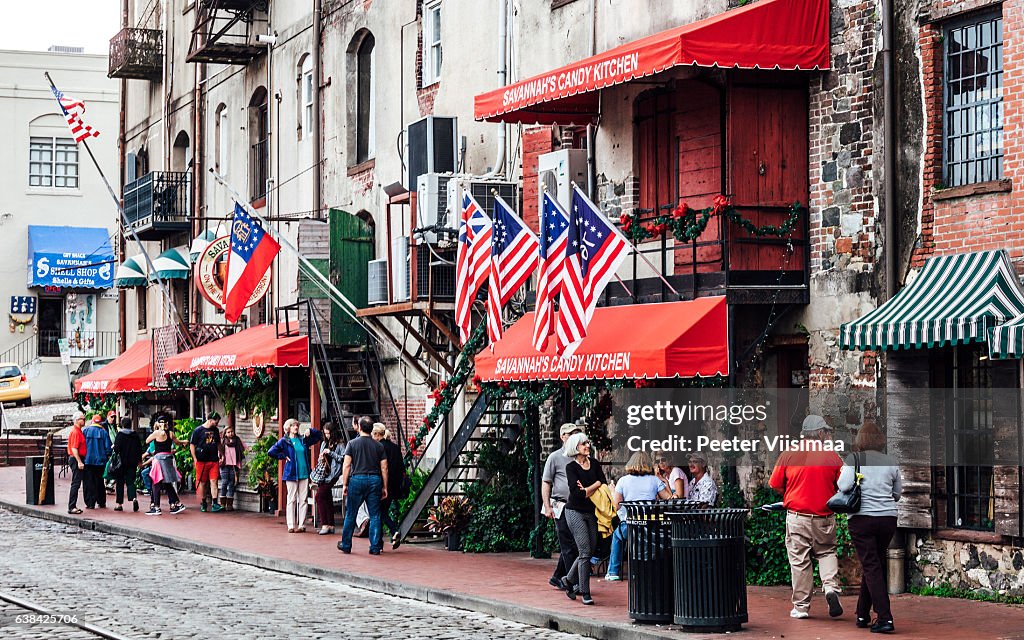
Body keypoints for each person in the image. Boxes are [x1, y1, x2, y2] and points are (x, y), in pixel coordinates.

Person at [768, 414, 844, 620]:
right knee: (827, 553)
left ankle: (801, 607)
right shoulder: (831, 456)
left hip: (797, 516)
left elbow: (774, 484)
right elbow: (843, 486)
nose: (828, 435)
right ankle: (830, 588)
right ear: (819, 433)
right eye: (826, 432)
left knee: (800, 561)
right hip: (824, 516)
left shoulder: (788, 454)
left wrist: (789, 492)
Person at [837, 423, 901, 634]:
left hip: (862, 518)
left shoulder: (854, 459)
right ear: (880, 439)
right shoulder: (890, 461)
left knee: (871, 564)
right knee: (873, 563)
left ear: (860, 440)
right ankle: (862, 613)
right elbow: (898, 493)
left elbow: (844, 486)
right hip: (887, 519)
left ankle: (885, 617)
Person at [605, 452, 672, 581]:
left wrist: (613, 492)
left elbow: (616, 506)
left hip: (630, 527)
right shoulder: (654, 480)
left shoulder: (623, 481)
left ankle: (613, 571)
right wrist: (664, 481)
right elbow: (669, 499)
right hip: (652, 528)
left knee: (617, 535)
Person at [560, 432, 606, 606]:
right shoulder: (571, 468)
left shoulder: (594, 463)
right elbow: (577, 494)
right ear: (575, 448)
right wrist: (592, 488)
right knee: (585, 552)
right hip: (574, 512)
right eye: (583, 444)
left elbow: (602, 480)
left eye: (587, 442)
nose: (587, 445)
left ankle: (568, 580)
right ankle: (584, 591)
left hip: (591, 512)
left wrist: (588, 488)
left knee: (589, 550)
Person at [337, 416, 388, 555]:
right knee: (375, 515)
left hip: (357, 479)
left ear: (359, 427)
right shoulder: (379, 446)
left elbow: (346, 465)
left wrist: (345, 484)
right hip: (374, 479)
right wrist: (385, 486)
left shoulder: (352, 444)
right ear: (372, 429)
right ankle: (375, 547)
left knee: (351, 514)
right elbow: (384, 467)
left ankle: (346, 544)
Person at [542, 423, 584, 590]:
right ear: (563, 437)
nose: (574, 436)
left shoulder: (581, 456)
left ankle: (557, 576)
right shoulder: (555, 457)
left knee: (575, 544)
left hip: (580, 506)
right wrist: (547, 506)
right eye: (570, 434)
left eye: (576, 433)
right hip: (562, 506)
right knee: (568, 545)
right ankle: (573, 583)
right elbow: (546, 482)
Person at [268, 418, 323, 533]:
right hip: (291, 473)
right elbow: (271, 451)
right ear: (288, 428)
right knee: (291, 499)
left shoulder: (303, 439)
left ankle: (302, 525)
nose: (296, 427)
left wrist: (310, 430)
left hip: (304, 473)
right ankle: (291, 525)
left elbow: (319, 436)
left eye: (297, 425)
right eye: (293, 425)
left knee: (303, 500)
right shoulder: (284, 441)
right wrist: (283, 456)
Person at [145, 415, 188, 516]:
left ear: (158, 424)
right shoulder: (171, 433)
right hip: (168, 458)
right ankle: (177, 503)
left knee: (156, 482)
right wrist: (184, 442)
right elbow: (177, 442)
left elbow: (147, 441)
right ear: (167, 424)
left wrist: (156, 433)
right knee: (167, 482)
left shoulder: (156, 433)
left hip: (159, 460)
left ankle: (156, 507)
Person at [373, 422, 404, 540]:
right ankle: (382, 540)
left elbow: (381, 467)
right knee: (382, 511)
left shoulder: (379, 448)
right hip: (394, 485)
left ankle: (392, 531)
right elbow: (401, 467)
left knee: (379, 512)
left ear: (377, 434)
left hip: (382, 484)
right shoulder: (395, 448)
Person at [314, 421, 346, 535]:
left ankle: (325, 524)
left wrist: (331, 453)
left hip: (332, 475)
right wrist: (321, 456)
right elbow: (320, 459)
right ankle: (331, 525)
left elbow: (343, 459)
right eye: (325, 433)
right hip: (323, 474)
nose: (327, 435)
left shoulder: (340, 444)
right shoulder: (323, 443)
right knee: (327, 498)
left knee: (319, 497)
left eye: (328, 433)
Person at [190, 413, 224, 513]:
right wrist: (195, 458)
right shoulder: (198, 430)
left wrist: (222, 454)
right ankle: (204, 502)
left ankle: (214, 503)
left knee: (214, 481)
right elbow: (192, 445)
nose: (217, 424)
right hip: (202, 460)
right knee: (203, 483)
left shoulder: (215, 430)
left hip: (213, 459)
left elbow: (218, 443)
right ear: (210, 420)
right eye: (216, 422)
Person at [111, 417, 143, 512]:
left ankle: (119, 504)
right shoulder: (135, 435)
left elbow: (116, 449)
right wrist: (139, 461)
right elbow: (139, 448)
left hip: (121, 463)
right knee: (131, 481)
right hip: (132, 462)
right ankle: (134, 498)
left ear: (122, 424)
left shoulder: (120, 435)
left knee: (119, 482)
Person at [82, 414, 112, 509]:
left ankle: (90, 503)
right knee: (99, 481)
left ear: (92, 421)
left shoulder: (85, 431)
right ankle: (101, 501)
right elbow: (108, 448)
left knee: (88, 481)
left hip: (88, 460)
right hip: (100, 461)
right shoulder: (103, 432)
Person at [218, 422, 248, 511]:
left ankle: (230, 504)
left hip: (234, 465)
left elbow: (245, 447)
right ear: (225, 433)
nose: (230, 433)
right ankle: (222, 503)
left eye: (232, 431)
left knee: (232, 483)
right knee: (224, 482)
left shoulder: (237, 440)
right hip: (224, 465)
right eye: (228, 432)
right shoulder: (223, 441)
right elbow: (219, 451)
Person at [66, 412, 88, 515]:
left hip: (77, 458)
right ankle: (72, 506)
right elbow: (74, 449)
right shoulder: (76, 432)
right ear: (76, 420)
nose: (84, 421)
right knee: (75, 483)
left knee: (77, 483)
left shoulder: (78, 431)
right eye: (82, 419)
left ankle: (73, 505)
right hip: (76, 459)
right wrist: (79, 461)